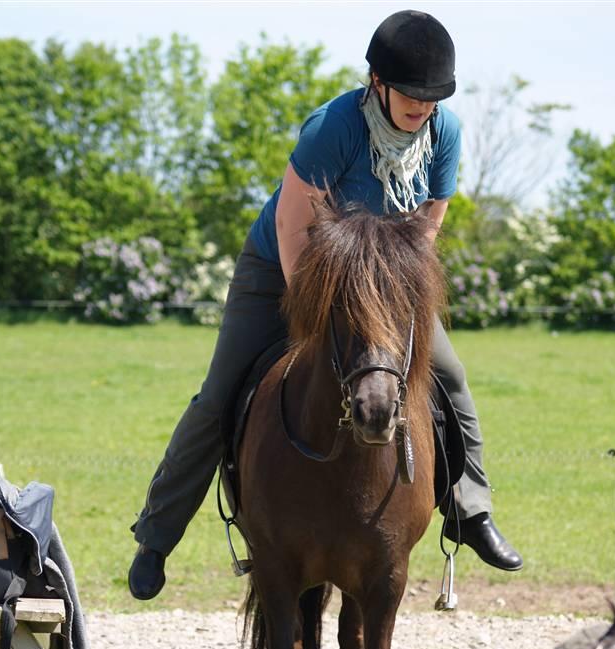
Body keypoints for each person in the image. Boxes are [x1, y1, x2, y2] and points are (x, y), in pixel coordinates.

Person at [128, 9, 523, 600]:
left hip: (385, 278)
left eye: (433, 97)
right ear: (378, 83)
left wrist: (398, 291)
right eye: (412, 95)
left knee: (451, 375)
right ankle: (157, 537)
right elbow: (292, 223)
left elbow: (427, 225)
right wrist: (311, 314)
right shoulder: (333, 126)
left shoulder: (446, 134)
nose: (423, 107)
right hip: (284, 268)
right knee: (219, 394)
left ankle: (471, 511)